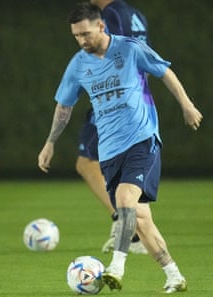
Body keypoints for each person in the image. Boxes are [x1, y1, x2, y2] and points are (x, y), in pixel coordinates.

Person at [38, 2, 202, 293]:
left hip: (142, 138)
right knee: (140, 219)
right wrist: (50, 142)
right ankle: (174, 275)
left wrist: (187, 106)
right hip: (109, 150)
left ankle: (116, 267)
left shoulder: (129, 49)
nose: (81, 41)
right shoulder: (78, 64)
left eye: (86, 34)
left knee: (126, 199)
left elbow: (164, 71)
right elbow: (64, 106)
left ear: (101, 26)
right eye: (76, 36)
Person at [76, 0, 150, 254]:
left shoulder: (110, 14)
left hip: (115, 101)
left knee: (88, 163)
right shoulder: (135, 14)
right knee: (113, 166)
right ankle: (131, 229)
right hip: (135, 98)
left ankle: (129, 231)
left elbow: (115, 55)